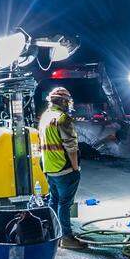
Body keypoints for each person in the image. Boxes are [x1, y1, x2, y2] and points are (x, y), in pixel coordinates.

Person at [38, 87, 86, 250]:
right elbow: (71, 148)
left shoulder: (45, 117)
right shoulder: (63, 118)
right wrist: (75, 168)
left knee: (54, 201)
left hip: (49, 168)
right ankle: (66, 238)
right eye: (67, 101)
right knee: (64, 204)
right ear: (63, 102)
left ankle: (54, 235)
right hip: (64, 169)